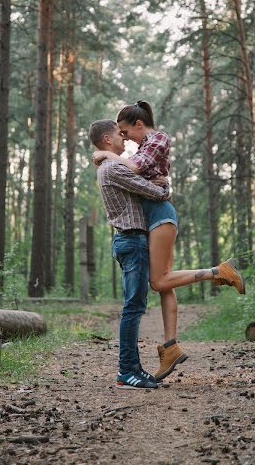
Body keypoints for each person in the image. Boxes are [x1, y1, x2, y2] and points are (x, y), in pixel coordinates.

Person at [92, 101, 245, 382]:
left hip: (159, 215)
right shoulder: (126, 157)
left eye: (125, 132)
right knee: (166, 281)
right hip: (152, 218)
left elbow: (138, 172)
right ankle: (170, 346)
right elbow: (139, 178)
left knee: (159, 281)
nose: (124, 139)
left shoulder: (156, 139)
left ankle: (218, 272)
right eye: (120, 135)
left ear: (139, 124)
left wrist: (106, 154)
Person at [89, 118, 171, 389]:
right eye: (119, 135)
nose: (124, 139)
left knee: (134, 307)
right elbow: (153, 191)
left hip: (131, 241)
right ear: (107, 140)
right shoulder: (113, 168)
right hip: (132, 240)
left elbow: (146, 184)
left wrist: (160, 184)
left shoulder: (111, 166)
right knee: (133, 308)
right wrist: (164, 186)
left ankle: (133, 368)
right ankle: (126, 371)